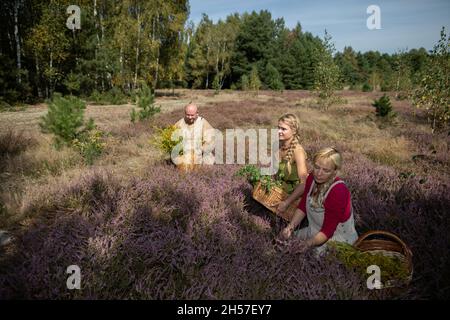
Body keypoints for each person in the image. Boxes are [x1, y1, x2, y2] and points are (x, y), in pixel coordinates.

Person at [279, 147, 358, 254]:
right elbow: (303, 206)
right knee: (284, 240)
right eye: (317, 167)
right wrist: (290, 227)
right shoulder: (312, 178)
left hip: (338, 238)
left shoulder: (338, 191)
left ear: (335, 171)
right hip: (314, 230)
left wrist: (307, 244)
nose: (319, 173)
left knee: (310, 256)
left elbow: (328, 231)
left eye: (326, 170)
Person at [275, 114, 308, 214]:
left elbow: (304, 184)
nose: (279, 131)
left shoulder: (298, 151)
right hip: (280, 191)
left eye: (283, 129)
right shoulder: (278, 146)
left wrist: (286, 202)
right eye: (278, 128)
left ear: (293, 131)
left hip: (294, 196)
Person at [172, 103, 215, 168]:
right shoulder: (179, 123)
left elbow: (210, 140)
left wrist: (201, 149)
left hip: (200, 153)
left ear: (197, 113)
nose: (190, 117)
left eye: (192, 115)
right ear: (185, 113)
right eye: (188, 115)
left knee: (207, 162)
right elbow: (172, 139)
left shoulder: (202, 122)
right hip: (184, 153)